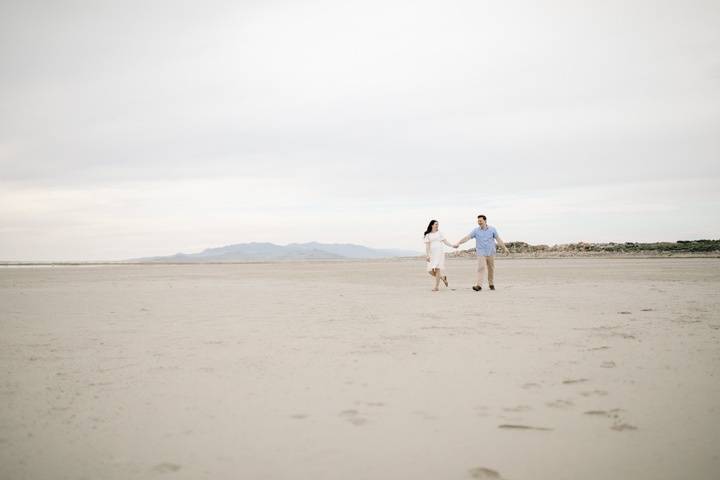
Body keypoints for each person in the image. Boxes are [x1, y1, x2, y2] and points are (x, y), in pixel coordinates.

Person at [454, 214, 510, 291]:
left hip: (491, 252)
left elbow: (498, 239)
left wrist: (505, 248)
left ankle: (491, 284)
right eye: (478, 221)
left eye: (480, 221)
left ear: (485, 221)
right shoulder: (476, 231)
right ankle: (479, 285)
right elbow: (467, 237)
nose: (479, 222)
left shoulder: (492, 229)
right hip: (481, 253)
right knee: (481, 268)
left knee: (491, 269)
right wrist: (459, 243)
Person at [423, 219, 457, 291]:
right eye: (436, 224)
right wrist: (427, 255)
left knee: (437, 269)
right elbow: (427, 246)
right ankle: (442, 277)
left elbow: (445, 241)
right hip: (432, 253)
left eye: (438, 224)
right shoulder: (428, 235)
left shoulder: (440, 233)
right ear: (432, 225)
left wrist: (452, 245)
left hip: (439, 253)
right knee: (430, 270)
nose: (437, 225)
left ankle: (436, 287)